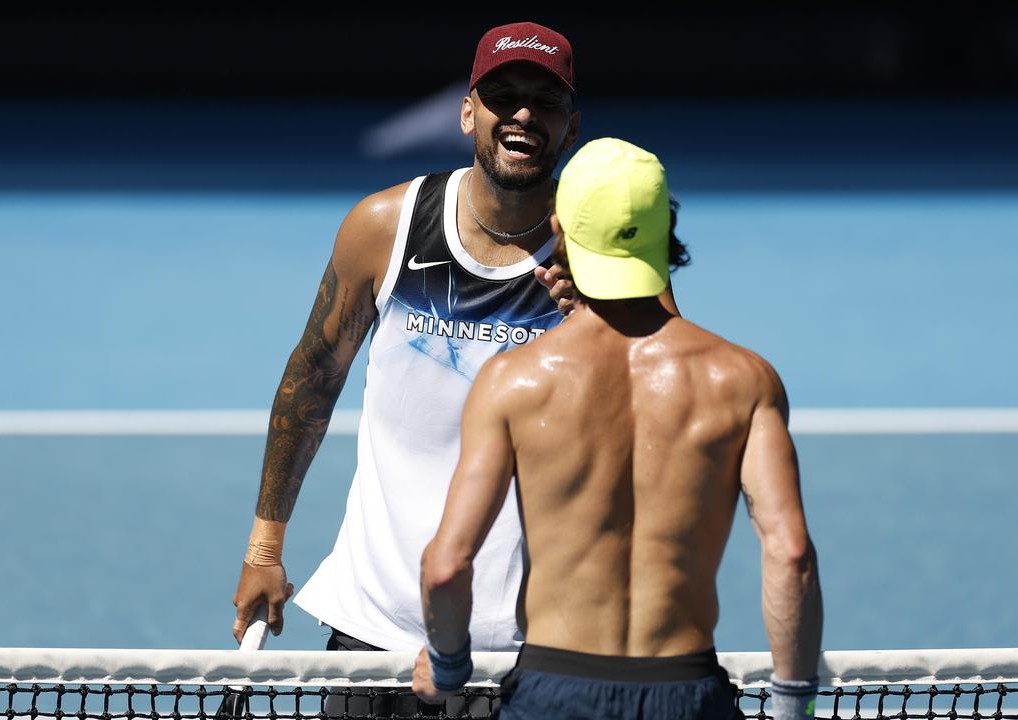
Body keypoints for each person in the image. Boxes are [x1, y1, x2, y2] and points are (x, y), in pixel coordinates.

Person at [230, 19, 585, 718]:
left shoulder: (603, 261)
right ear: (467, 113)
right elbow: (311, 383)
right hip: (377, 638)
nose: (521, 115)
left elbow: (654, 421)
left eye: (543, 103)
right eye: (502, 96)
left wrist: (601, 320)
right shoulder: (385, 227)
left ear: (570, 125)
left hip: (533, 649)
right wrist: (264, 547)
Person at [413, 138, 824, 720]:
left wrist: (449, 668)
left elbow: (447, 566)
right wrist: (791, 705)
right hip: (687, 693)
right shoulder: (743, 380)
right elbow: (790, 555)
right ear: (666, 227)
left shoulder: (513, 382)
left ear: (557, 225)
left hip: (553, 689)